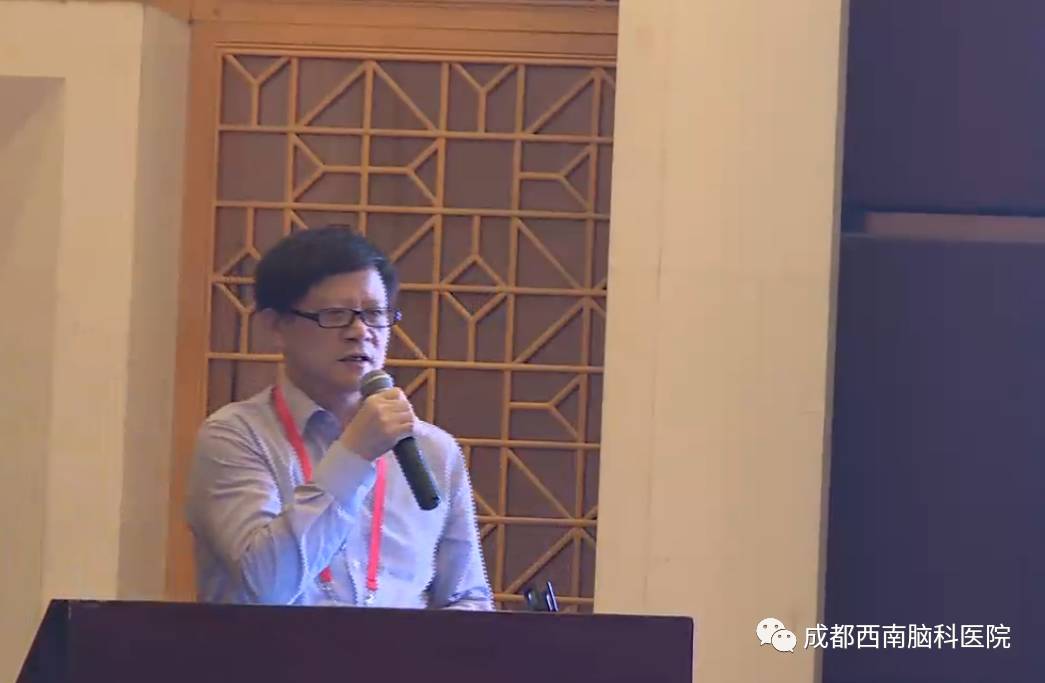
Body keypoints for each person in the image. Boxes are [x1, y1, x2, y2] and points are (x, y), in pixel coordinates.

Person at [185, 225, 494, 610]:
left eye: (374, 314)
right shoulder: (235, 438)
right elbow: (265, 587)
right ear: (275, 326)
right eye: (335, 315)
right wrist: (353, 456)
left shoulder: (433, 450)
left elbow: (467, 598)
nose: (360, 332)